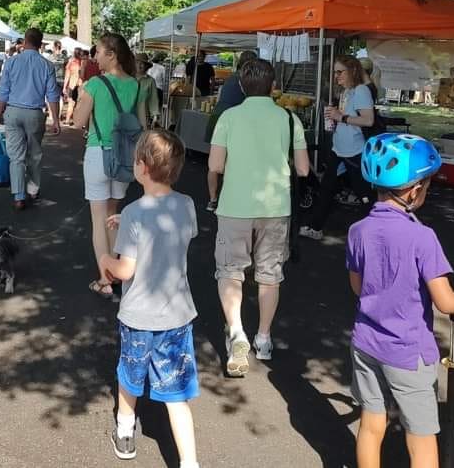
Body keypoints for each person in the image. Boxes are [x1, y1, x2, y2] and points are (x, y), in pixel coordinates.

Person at [349, 134, 454, 468]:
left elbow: (358, 287)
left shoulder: (358, 230)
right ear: (414, 190)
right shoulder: (423, 237)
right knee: (421, 438)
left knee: (371, 425)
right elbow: (446, 302)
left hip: (366, 343)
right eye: (427, 186)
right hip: (408, 351)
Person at [100, 130, 200, 467]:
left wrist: (105, 259)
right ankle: (189, 462)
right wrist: (132, 222)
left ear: (142, 167)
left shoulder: (133, 213)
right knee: (176, 394)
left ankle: (125, 429)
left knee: (130, 377)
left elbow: (124, 270)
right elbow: (172, 233)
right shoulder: (186, 205)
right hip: (177, 316)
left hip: (139, 318)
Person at [209, 58, 309, 372]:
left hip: (234, 205)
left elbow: (215, 165)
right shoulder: (290, 119)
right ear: (273, 86)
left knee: (230, 271)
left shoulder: (228, 117)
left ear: (241, 85)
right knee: (269, 275)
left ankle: (236, 332)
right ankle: (263, 337)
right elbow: (303, 169)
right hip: (276, 207)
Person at [73, 33, 151, 300]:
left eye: (98, 51)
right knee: (113, 215)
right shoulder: (136, 85)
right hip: (125, 155)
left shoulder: (95, 84)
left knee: (98, 220)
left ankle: (105, 279)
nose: (95, 56)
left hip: (98, 153)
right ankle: (117, 269)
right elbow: (142, 125)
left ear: (111, 55)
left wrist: (81, 97)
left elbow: (78, 122)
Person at [300, 56, 376, 241]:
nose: (336, 76)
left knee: (365, 195)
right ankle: (315, 227)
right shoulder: (346, 91)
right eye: (335, 72)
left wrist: (341, 117)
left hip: (355, 152)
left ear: (353, 71)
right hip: (339, 149)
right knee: (326, 190)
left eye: (340, 72)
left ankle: (378, 233)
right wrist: (335, 119)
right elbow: (346, 117)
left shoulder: (361, 91)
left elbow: (368, 120)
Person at [0, 28, 62, 211]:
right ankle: (33, 189)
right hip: (35, 113)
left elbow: (3, 92)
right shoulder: (47, 65)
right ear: (41, 43)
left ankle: (18, 195)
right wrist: (56, 120)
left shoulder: (11, 62)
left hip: (13, 111)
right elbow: (52, 95)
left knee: (16, 156)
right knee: (34, 154)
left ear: (24, 41)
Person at [204, 51, 255, 212]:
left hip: (217, 117)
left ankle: (213, 200)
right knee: (231, 162)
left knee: (215, 162)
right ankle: (229, 199)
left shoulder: (232, 77)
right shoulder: (246, 81)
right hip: (231, 120)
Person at [133, 53, 161, 128]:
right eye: (137, 63)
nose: (139, 65)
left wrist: (155, 116)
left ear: (146, 66)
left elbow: (153, 99)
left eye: (142, 63)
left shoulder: (150, 81)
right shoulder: (128, 79)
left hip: (143, 118)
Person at [63, 48, 84, 126]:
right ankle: (80, 122)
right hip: (81, 86)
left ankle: (67, 120)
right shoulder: (83, 63)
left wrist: (64, 87)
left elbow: (67, 76)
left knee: (71, 104)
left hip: (72, 85)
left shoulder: (71, 63)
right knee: (80, 105)